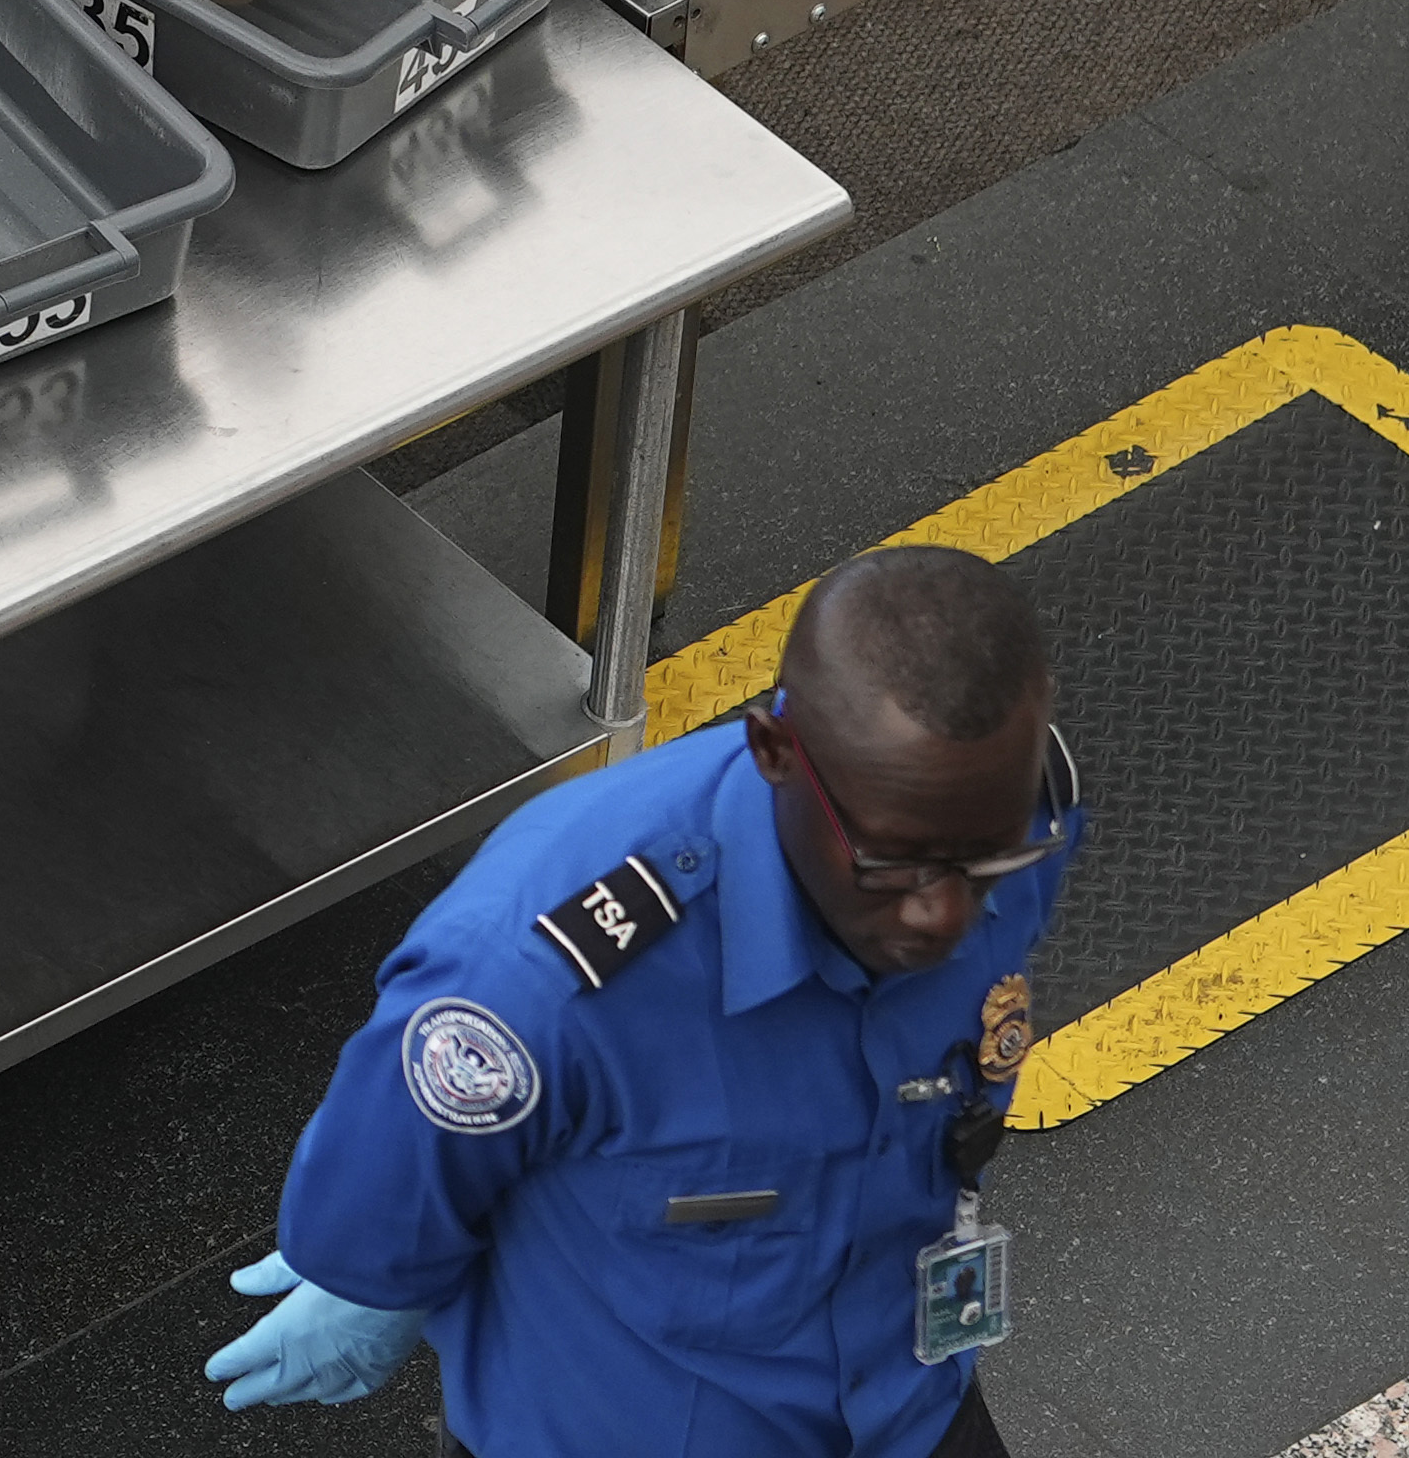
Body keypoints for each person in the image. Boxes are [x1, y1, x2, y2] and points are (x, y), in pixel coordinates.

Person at [212, 545, 1085, 1457]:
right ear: (774, 752)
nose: (942, 916)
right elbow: (381, 1197)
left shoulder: (1022, 816)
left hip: (906, 1409)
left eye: (983, 864)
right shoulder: (532, 984)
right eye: (894, 864)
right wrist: (380, 1281)